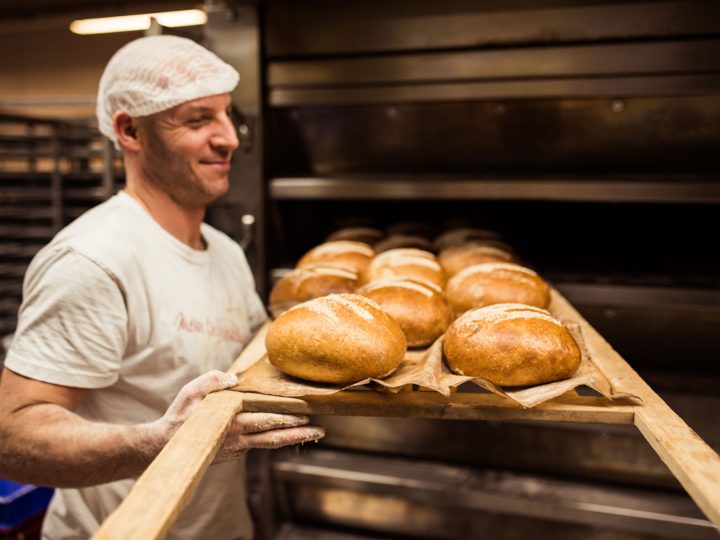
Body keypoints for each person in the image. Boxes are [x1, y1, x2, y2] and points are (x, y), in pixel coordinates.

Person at [0, 35, 324, 540]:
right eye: (198, 120)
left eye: (226, 115)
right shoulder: (94, 260)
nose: (229, 138)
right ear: (130, 131)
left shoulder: (225, 251)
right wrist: (159, 442)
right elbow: (14, 436)